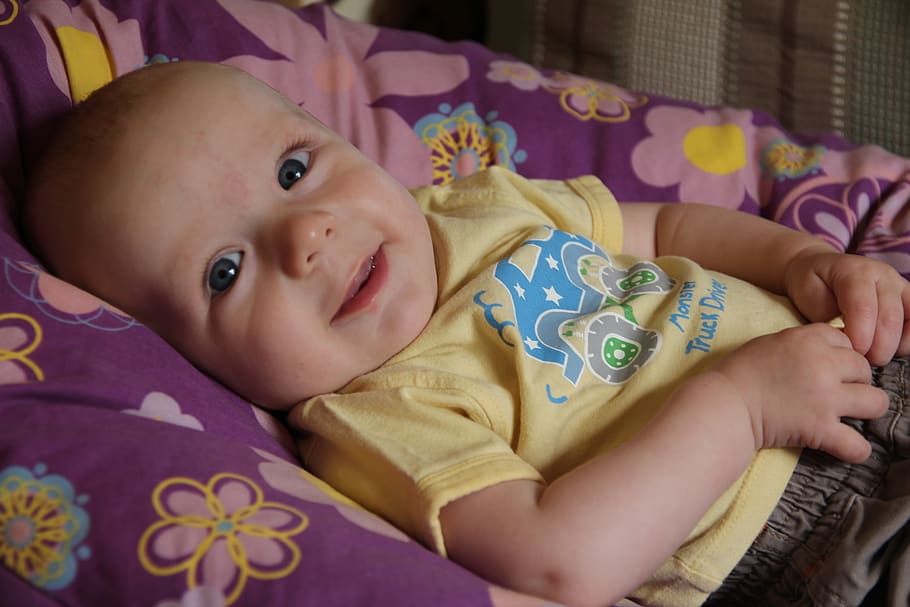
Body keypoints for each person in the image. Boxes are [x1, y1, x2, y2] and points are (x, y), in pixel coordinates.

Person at [24, 61, 910, 607]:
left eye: (294, 169)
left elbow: (666, 228)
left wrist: (804, 261)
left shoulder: (473, 202)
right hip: (820, 533)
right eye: (225, 271)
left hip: (867, 358)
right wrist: (741, 407)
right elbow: (564, 562)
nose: (306, 237)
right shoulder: (377, 419)